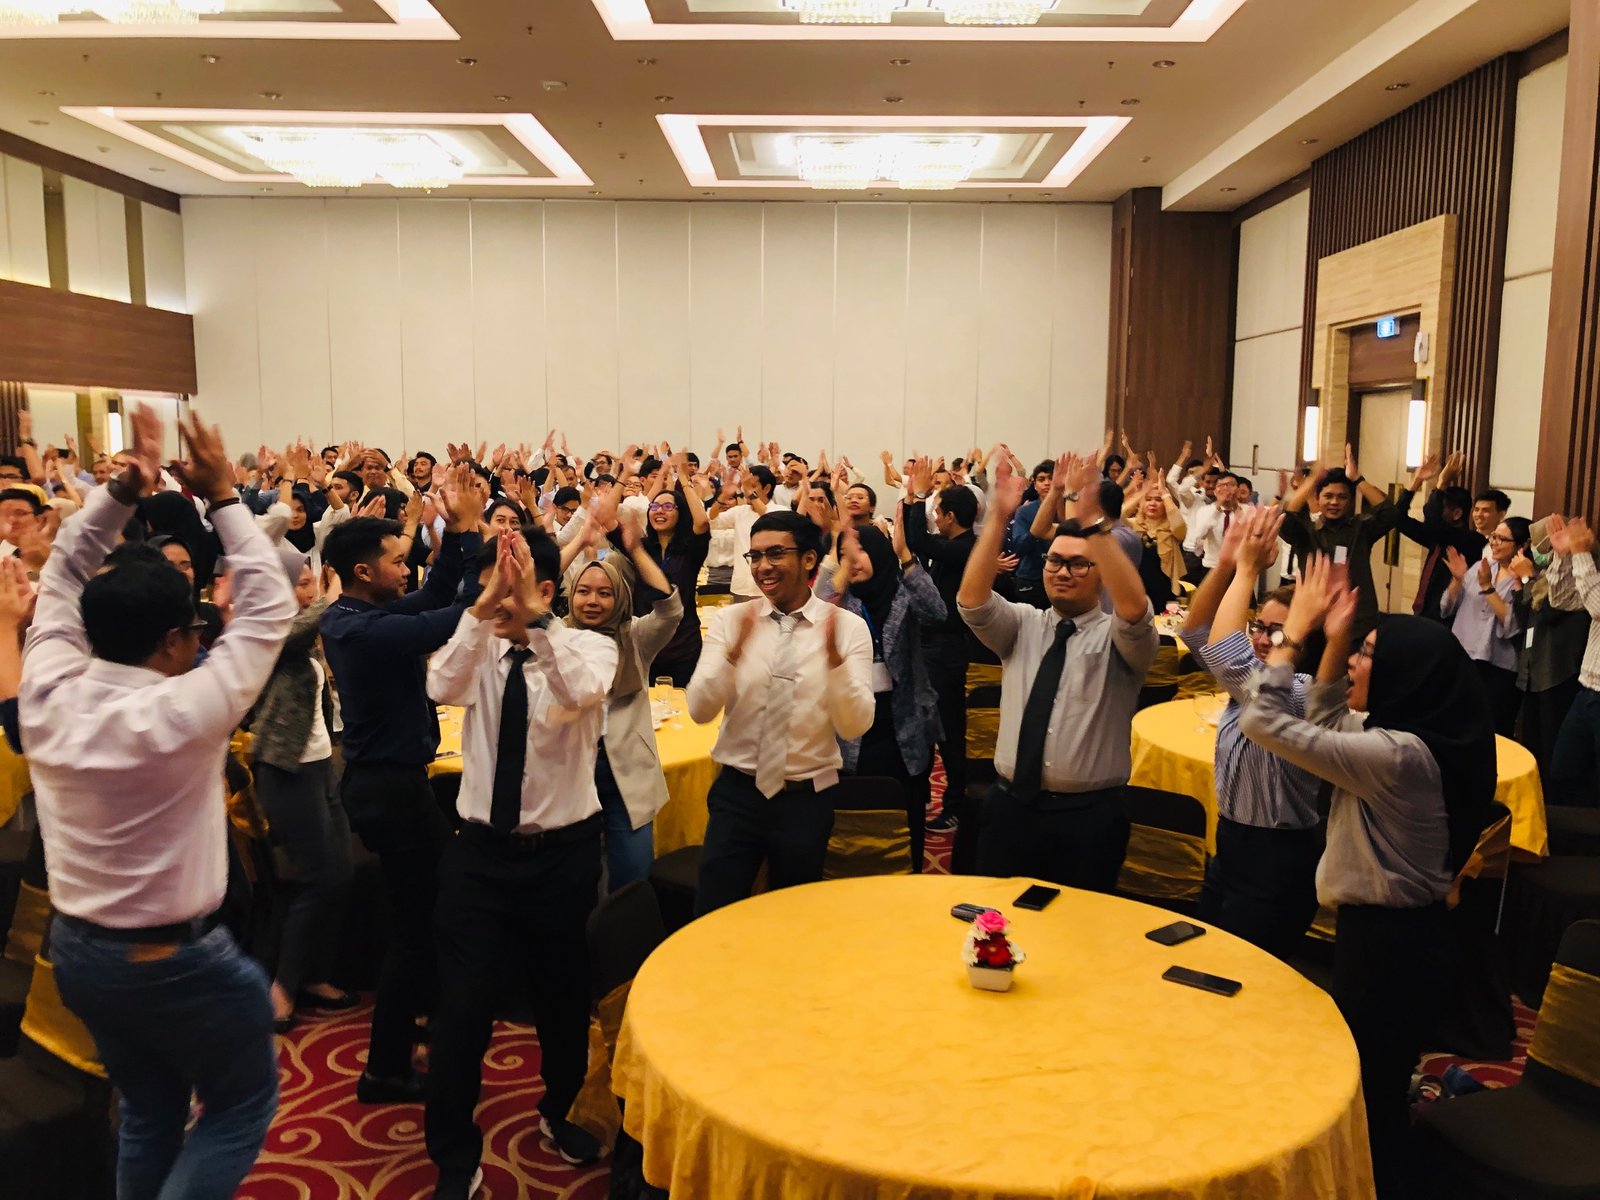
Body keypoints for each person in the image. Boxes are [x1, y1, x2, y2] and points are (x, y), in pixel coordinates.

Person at [26, 405, 296, 1200]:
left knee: (150, 1110)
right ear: (176, 641)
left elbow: (61, 575)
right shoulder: (184, 711)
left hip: (78, 953)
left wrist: (120, 493)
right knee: (240, 1106)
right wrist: (224, 495)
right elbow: (272, 607)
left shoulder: (46, 689)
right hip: (174, 959)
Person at [1239, 555, 1494, 1200]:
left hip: (1391, 948)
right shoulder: (1420, 735)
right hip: (1399, 937)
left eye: (1367, 654)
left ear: (1407, 672)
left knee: (1368, 1095)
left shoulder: (1399, 756)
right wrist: (1335, 641)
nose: (1354, 662)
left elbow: (1265, 723)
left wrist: (1294, 633)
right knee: (1372, 1085)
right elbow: (1325, 723)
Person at [425, 531, 615, 1195]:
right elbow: (439, 685)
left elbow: (579, 690)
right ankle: (453, 1156)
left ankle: (561, 1110)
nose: (498, 600)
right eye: (489, 588)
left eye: (512, 589)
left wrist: (536, 621)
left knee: (562, 999)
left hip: (562, 856)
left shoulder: (589, 646)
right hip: (479, 855)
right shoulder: (476, 645)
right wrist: (480, 613)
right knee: (461, 1011)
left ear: (545, 591)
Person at [319, 465, 485, 1104]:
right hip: (387, 792)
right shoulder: (355, 628)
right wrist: (473, 539)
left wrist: (458, 539)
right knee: (419, 926)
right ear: (364, 571)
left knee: (429, 908)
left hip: (394, 784)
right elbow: (454, 616)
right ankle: (385, 1066)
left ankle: (422, 1015)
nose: (407, 565)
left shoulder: (365, 611)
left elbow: (437, 590)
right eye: (396, 560)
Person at [958, 453, 1157, 891]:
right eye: (1054, 561)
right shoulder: (1023, 624)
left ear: (1101, 575)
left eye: (1078, 563)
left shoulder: (1119, 637)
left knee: (1079, 926)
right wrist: (998, 519)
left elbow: (1134, 609)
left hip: (1088, 817)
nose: (1062, 572)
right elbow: (972, 600)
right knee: (997, 917)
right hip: (1010, 805)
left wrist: (1093, 526)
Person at [686, 509, 874, 915]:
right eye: (754, 556)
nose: (762, 566)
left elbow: (854, 725)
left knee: (792, 917)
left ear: (808, 559)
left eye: (775, 554)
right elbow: (699, 710)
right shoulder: (732, 621)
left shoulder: (847, 628)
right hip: (737, 795)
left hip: (806, 799)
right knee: (715, 911)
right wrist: (732, 657)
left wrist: (835, 665)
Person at [1181, 507, 1323, 958]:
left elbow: (1226, 653)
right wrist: (1225, 563)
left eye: (1277, 633)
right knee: (1209, 952)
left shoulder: (1300, 692)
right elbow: (1196, 631)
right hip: (1232, 841)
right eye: (1259, 626)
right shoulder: (1250, 683)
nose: (1261, 639)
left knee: (1247, 964)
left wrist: (1246, 570)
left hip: (1277, 855)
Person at [249, 549, 355, 1034]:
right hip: (284, 768)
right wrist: (333, 596)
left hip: (319, 763)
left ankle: (313, 974)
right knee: (314, 877)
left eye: (312, 583)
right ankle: (283, 986)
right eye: (301, 583)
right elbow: (296, 632)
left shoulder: (303, 632)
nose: (309, 591)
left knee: (339, 874)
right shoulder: (263, 629)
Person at [818, 517, 945, 872]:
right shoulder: (841, 602)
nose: (854, 560)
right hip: (851, 726)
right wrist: (838, 568)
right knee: (853, 815)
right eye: (846, 554)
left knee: (905, 809)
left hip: (903, 723)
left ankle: (909, 877)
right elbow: (813, 617)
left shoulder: (902, 592)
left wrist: (906, 556)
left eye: (861, 551)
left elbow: (937, 612)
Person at [568, 513, 684, 889]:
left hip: (627, 771)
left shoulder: (635, 636)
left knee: (633, 876)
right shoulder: (557, 637)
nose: (593, 601)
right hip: (570, 772)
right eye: (584, 591)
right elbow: (532, 596)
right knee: (572, 878)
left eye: (605, 593)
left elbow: (671, 610)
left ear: (620, 597)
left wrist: (636, 551)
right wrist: (578, 542)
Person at [901, 459, 980, 860]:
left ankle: (955, 804)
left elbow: (918, 541)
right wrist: (913, 501)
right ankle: (950, 799)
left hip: (947, 647)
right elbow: (920, 540)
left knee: (947, 728)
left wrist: (916, 496)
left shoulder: (963, 548)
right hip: (939, 644)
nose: (934, 518)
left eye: (937, 512)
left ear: (950, 517)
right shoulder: (959, 545)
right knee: (941, 725)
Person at [1280, 446, 1400, 640]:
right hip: (1314, 623)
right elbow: (1286, 518)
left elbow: (1390, 513)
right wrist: (1312, 481)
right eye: (1328, 496)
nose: (1334, 502)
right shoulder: (1306, 532)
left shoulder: (1360, 529)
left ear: (1351, 502)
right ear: (1317, 499)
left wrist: (1357, 479)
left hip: (1358, 622)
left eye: (1342, 497)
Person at [1441, 517, 1527, 736]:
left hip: (1500, 666)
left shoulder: (1525, 579)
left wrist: (1488, 587)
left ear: (1522, 545)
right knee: (1457, 722)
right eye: (1493, 537)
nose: (1494, 543)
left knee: (1493, 729)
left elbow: (1513, 624)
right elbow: (1446, 608)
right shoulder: (1481, 567)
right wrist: (1458, 579)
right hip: (1464, 656)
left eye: (1502, 539)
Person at [1542, 515, 1600, 806]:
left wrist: (1580, 553)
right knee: (1563, 773)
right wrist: (1563, 557)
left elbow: (1597, 605)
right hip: (1587, 692)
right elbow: (1562, 599)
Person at [638, 461, 711, 686]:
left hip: (683, 646)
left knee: (682, 703)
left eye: (668, 507)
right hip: (647, 645)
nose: (660, 511)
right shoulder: (641, 548)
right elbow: (610, 523)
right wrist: (624, 476)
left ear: (681, 514)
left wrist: (683, 479)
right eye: (655, 506)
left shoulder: (689, 549)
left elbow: (702, 521)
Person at [1394, 452, 1485, 621]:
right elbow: (1398, 520)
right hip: (1424, 615)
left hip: (1447, 619)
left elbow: (1432, 519)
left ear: (1457, 514)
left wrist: (1442, 483)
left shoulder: (1469, 540)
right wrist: (1416, 481)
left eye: (1440, 508)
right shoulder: (1438, 536)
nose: (1433, 510)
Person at [1124, 474, 1187, 611]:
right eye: (1148, 499)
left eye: (1158, 500)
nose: (1152, 503)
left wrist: (1165, 494)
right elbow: (1119, 515)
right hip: (1136, 586)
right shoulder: (1133, 525)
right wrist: (1141, 493)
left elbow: (1179, 525)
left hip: (1164, 587)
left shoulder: (1172, 528)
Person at [1187, 471, 1246, 579]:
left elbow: (1246, 533)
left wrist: (1235, 507)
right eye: (1221, 485)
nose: (1226, 489)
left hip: (1237, 567)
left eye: (1231, 485)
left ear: (1238, 491)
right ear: (1215, 491)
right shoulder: (1205, 511)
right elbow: (1200, 535)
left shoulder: (1246, 511)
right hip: (1211, 566)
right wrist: (1218, 507)